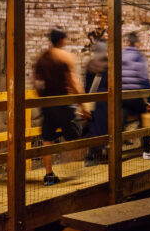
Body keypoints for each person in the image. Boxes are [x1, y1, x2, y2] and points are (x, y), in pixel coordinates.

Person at [35, 28, 88, 185]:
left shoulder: (42, 59)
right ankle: (77, 172)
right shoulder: (65, 57)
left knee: (47, 138)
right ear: (62, 40)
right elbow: (73, 82)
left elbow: (37, 83)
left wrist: (42, 101)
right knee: (75, 135)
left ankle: (49, 174)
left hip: (47, 105)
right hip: (65, 105)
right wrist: (83, 106)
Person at [121, 32, 150, 159]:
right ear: (135, 43)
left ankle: (115, 152)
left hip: (123, 96)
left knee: (121, 124)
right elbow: (145, 79)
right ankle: (146, 150)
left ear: (127, 42)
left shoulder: (121, 56)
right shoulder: (139, 57)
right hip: (135, 96)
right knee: (144, 122)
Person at [84, 40, 109, 167]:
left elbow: (86, 86)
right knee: (105, 128)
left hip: (92, 100)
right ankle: (103, 154)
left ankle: (91, 157)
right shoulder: (108, 65)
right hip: (105, 101)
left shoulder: (90, 65)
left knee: (93, 128)